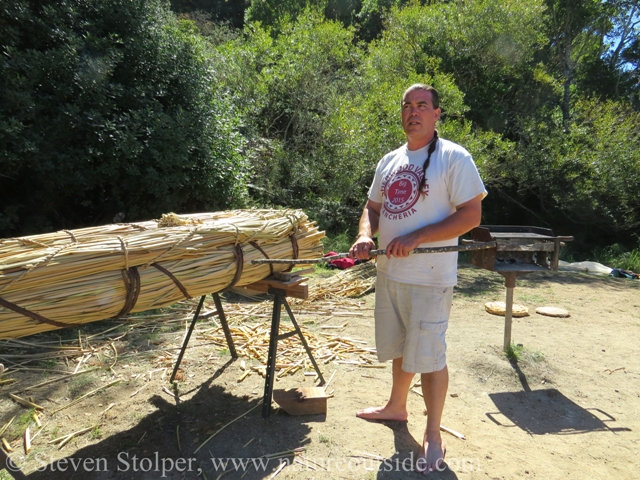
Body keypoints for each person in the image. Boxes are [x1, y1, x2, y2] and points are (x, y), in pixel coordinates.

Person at [350, 84, 486, 473]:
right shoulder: (390, 160)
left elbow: (471, 215)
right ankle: (396, 407)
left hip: (430, 278)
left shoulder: (454, 157)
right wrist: (364, 235)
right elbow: (372, 208)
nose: (413, 112)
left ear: (437, 113)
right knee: (401, 347)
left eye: (422, 105)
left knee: (428, 356)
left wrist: (417, 237)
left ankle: (433, 433)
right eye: (407, 105)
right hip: (390, 272)